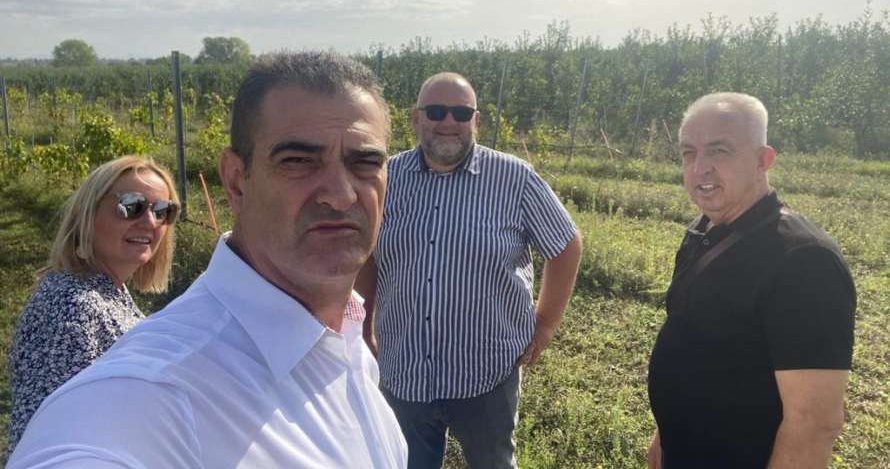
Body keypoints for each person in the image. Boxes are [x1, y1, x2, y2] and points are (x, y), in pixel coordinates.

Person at [8, 51, 408, 468]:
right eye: (298, 161)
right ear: (235, 181)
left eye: (365, 162)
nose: (341, 194)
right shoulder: (154, 392)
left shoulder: (348, 337)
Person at [357, 72, 583, 469]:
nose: (449, 122)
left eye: (461, 113)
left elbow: (565, 244)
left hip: (485, 372)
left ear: (475, 120)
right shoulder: (387, 179)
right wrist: (364, 323)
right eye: (436, 111)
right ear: (416, 118)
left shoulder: (514, 179)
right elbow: (369, 256)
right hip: (404, 365)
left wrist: (545, 324)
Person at [647, 92, 857, 469]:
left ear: (762, 160)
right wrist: (666, 435)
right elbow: (690, 341)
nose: (700, 167)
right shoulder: (705, 229)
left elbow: (814, 425)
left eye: (719, 150)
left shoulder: (803, 261)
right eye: (689, 153)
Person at [6, 154, 179, 458]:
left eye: (162, 211)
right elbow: (51, 442)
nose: (150, 222)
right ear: (88, 214)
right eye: (132, 205)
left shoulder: (105, 290)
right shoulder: (72, 308)